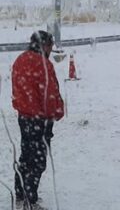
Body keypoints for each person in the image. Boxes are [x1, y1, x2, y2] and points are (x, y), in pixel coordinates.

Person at [12, 31, 64, 209]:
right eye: (50, 45)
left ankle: (20, 193)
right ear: (45, 45)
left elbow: (17, 88)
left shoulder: (20, 59)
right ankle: (30, 199)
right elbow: (49, 94)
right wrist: (56, 112)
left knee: (26, 155)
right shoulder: (44, 64)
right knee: (38, 161)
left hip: (24, 116)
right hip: (40, 119)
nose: (51, 49)